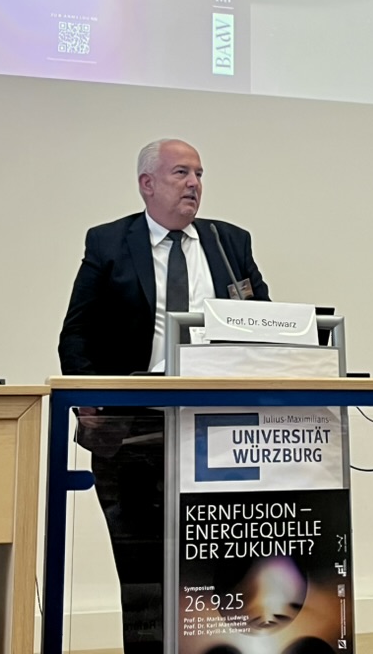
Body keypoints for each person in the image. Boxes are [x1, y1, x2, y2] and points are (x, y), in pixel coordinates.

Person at [59, 138, 270, 654]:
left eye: (199, 174)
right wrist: (93, 401)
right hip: (133, 427)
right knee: (144, 572)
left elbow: (266, 325)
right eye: (181, 173)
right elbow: (76, 334)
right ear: (147, 184)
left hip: (217, 427)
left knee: (225, 564)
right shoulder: (110, 242)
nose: (194, 184)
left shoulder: (228, 243)